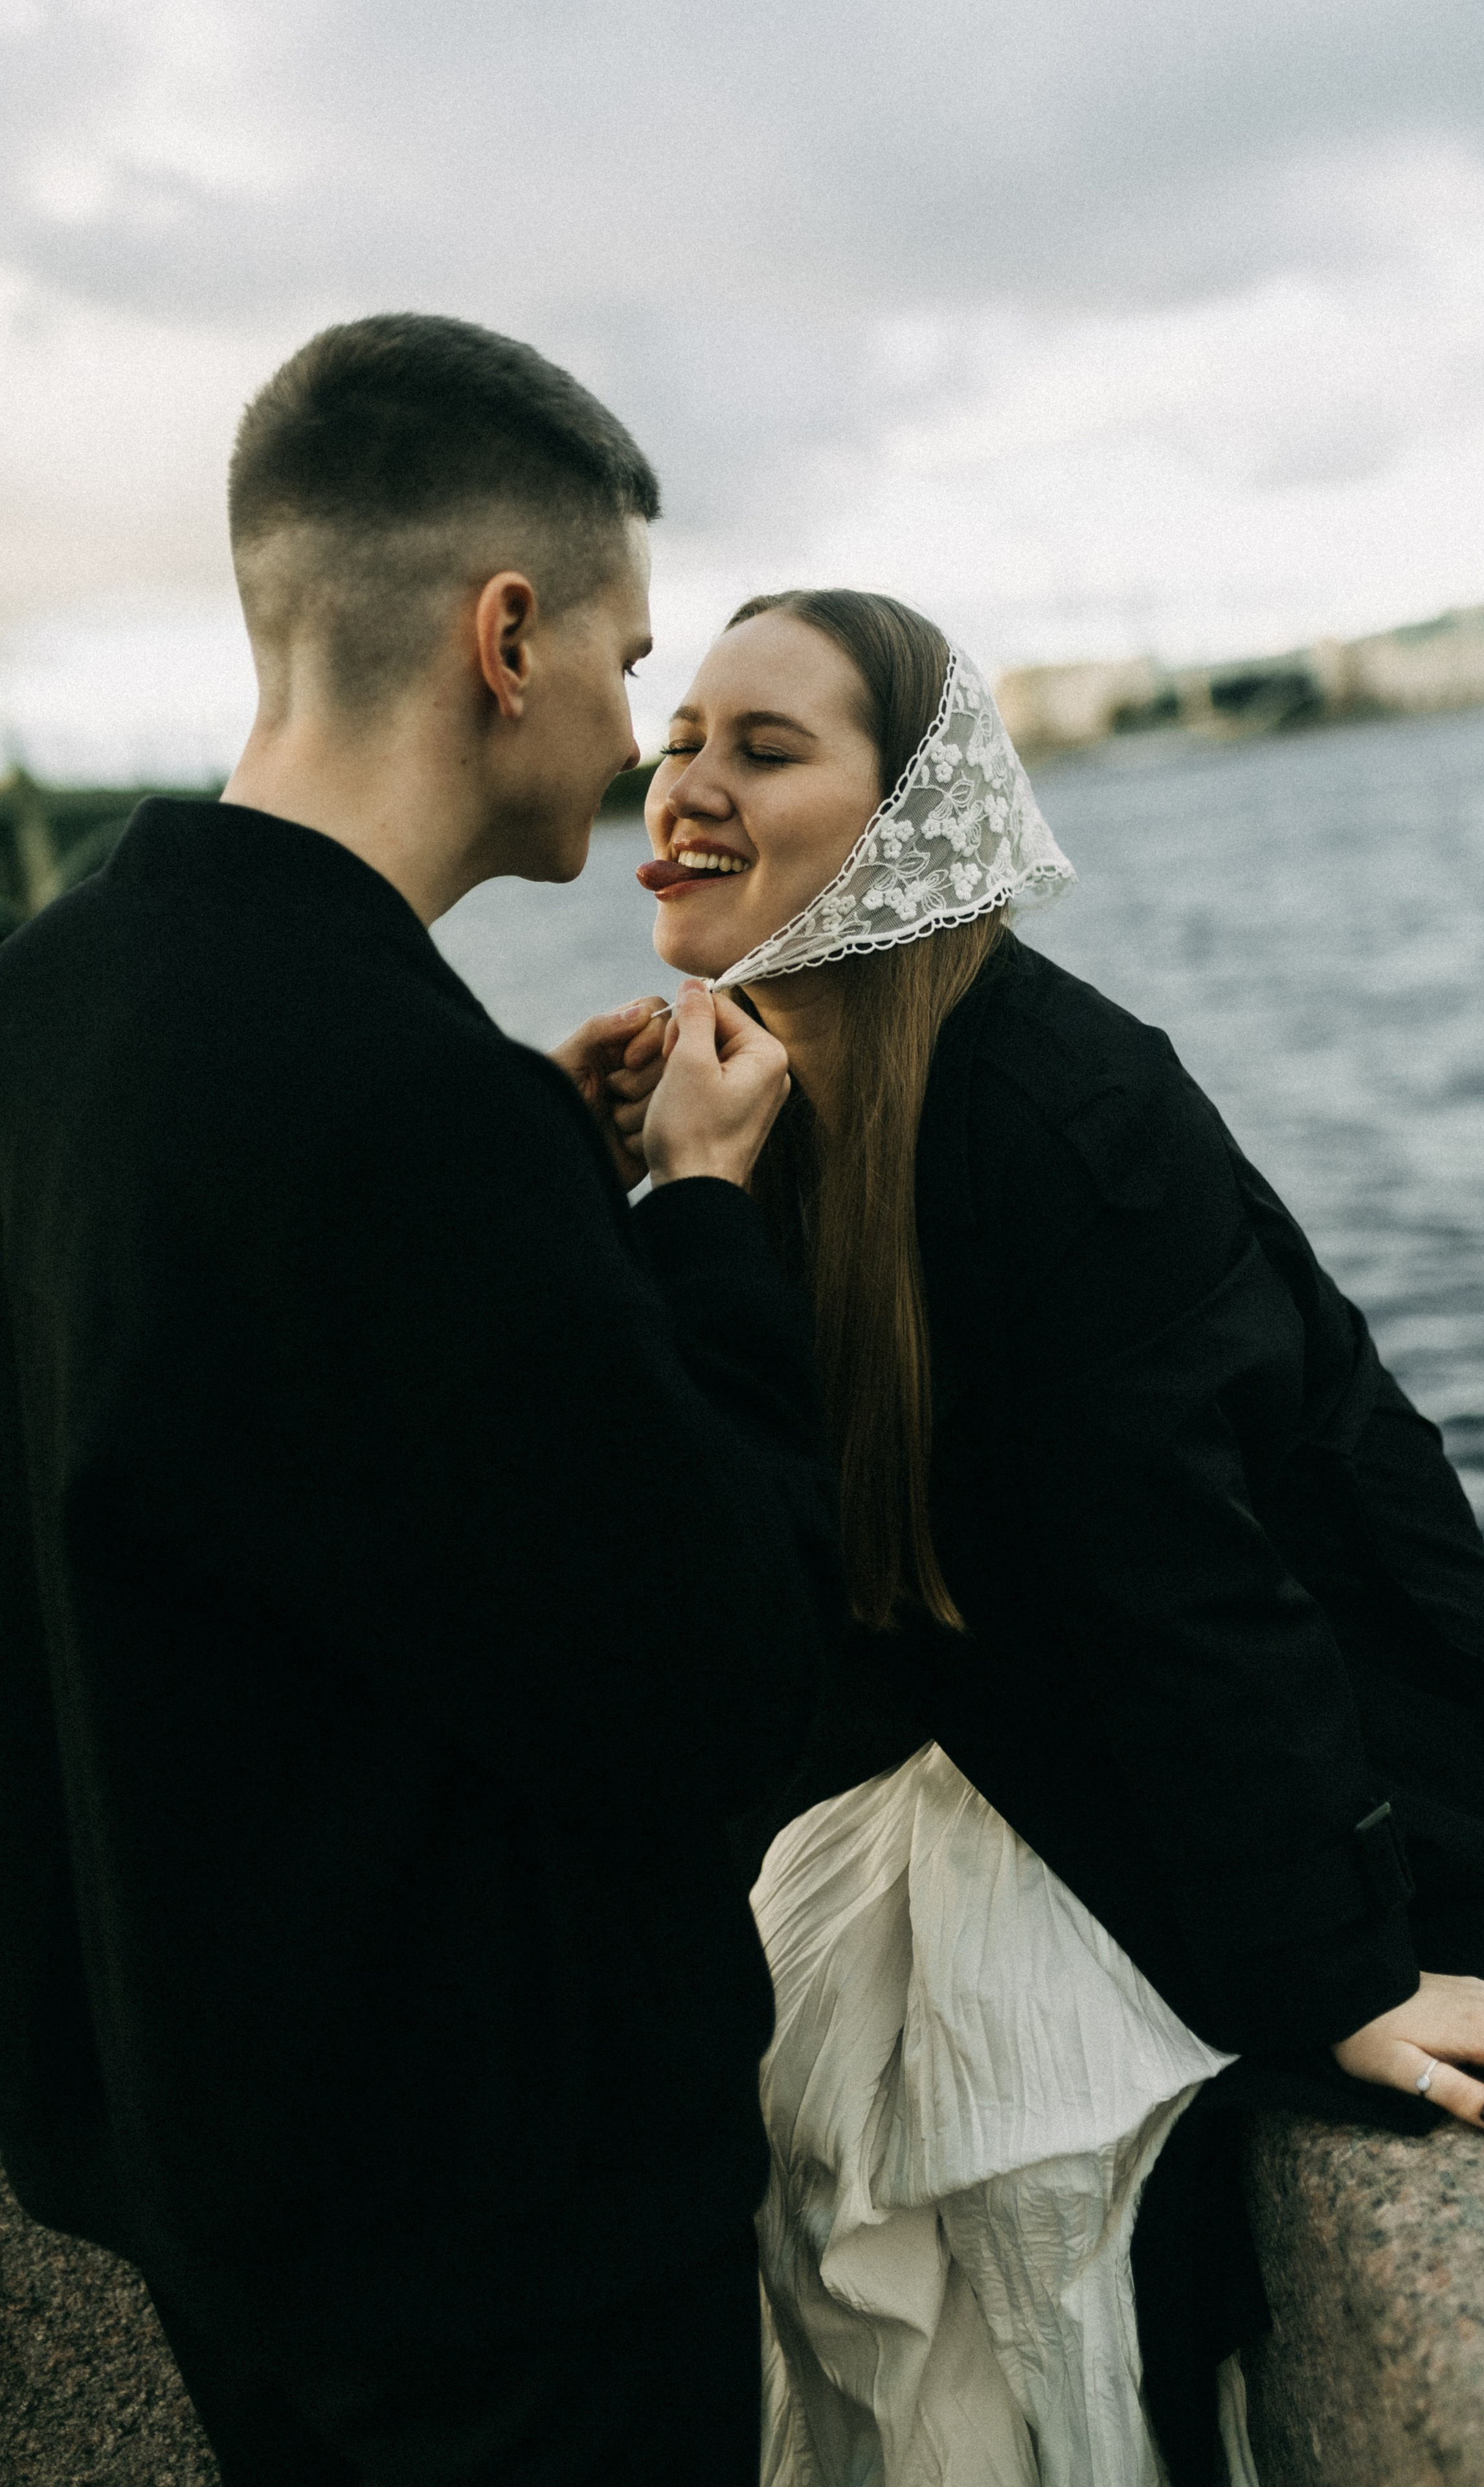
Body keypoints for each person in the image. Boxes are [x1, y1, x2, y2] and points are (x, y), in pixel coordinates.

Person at [629, 587, 1484, 2487]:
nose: (682, 784)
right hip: (1013, 1722)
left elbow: (1200, 1578)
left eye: (763, 750)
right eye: (682, 735)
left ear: (908, 820)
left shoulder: (1053, 1112)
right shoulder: (773, 1089)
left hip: (1270, 1752)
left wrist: (1337, 1973)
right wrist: (656, 1177)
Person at [0, 317, 843, 2486]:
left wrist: (539, 1202)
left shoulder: (64, 1003)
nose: (638, 730)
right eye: (629, 655)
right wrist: (696, 1224)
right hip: (495, 2261)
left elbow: (237, 1464)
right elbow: (721, 1684)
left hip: (209, 2180)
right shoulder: (397, 1107)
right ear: (504, 634)